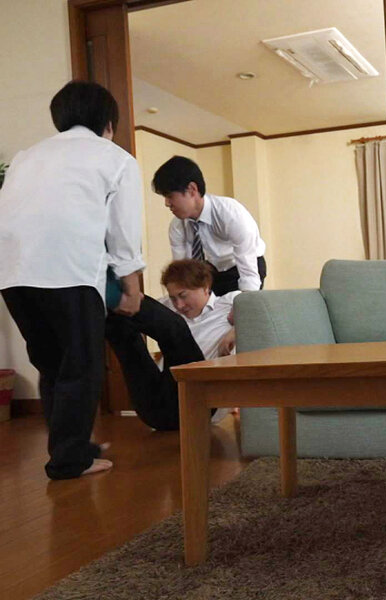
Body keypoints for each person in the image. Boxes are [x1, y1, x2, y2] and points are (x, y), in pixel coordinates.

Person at [0, 81, 145, 479]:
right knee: (81, 367)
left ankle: (71, 448)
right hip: (69, 271)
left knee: (52, 365)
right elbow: (124, 233)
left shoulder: (26, 157)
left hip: (13, 273)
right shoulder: (115, 158)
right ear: (108, 124)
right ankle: (69, 460)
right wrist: (132, 288)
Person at [105, 260, 238, 430]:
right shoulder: (166, 308)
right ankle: (98, 293)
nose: (179, 305)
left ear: (205, 287)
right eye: (173, 298)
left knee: (175, 327)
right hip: (154, 409)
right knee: (123, 331)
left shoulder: (230, 302)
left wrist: (235, 330)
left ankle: (108, 288)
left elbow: (261, 311)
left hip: (199, 401)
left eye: (183, 295)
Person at [152, 155, 267, 296]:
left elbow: (247, 265)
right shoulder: (177, 226)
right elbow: (183, 270)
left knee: (239, 306)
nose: (167, 203)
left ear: (192, 189)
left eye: (170, 196)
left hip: (243, 265)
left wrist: (247, 300)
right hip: (213, 270)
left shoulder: (229, 213)